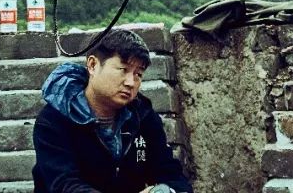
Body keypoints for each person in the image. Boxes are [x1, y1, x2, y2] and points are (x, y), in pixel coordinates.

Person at [32, 28, 192, 193]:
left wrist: (165, 190)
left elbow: (172, 175)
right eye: (123, 70)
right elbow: (64, 185)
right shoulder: (54, 120)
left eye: (138, 74)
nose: (130, 82)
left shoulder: (142, 116)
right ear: (93, 65)